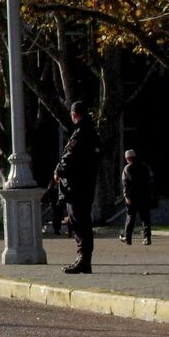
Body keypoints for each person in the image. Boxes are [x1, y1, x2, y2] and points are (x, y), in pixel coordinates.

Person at [54, 100, 99, 273]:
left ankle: (83, 260)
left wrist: (58, 170)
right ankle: (83, 259)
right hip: (86, 184)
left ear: (74, 115)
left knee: (79, 223)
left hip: (76, 186)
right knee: (83, 222)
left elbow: (69, 157)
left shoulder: (80, 133)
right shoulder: (91, 132)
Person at [120, 149, 155, 244]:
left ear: (127, 158)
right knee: (145, 217)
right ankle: (147, 237)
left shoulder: (127, 168)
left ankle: (128, 237)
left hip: (132, 196)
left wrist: (126, 196)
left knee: (131, 216)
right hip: (145, 195)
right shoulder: (145, 167)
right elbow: (151, 180)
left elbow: (125, 183)